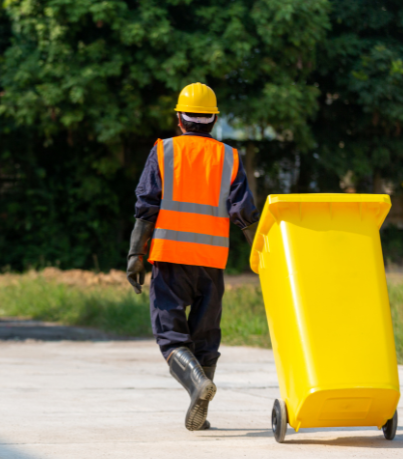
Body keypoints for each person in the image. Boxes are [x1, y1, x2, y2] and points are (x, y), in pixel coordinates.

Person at [126, 83, 259, 431]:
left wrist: (136, 254)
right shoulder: (229, 157)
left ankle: (197, 386)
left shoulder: (164, 151)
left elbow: (146, 206)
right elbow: (243, 212)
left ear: (179, 119)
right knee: (206, 336)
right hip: (211, 262)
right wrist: (262, 252)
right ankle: (202, 412)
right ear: (213, 119)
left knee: (171, 335)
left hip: (170, 257)